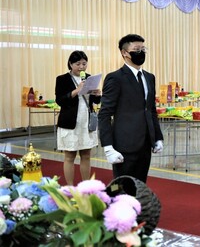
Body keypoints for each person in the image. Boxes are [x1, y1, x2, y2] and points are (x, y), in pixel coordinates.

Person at [98, 34, 164, 183]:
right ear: (124, 53)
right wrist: (108, 147)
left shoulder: (149, 77)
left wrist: (158, 137)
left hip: (146, 144)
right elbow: (105, 114)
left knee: (140, 187)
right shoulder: (115, 78)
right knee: (123, 188)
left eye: (143, 49)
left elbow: (151, 109)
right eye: (136, 49)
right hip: (124, 144)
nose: (140, 52)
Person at [55, 51, 101, 185]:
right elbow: (60, 100)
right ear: (70, 64)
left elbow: (95, 102)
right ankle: (70, 187)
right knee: (70, 156)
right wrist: (76, 90)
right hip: (70, 122)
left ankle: (85, 186)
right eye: (78, 64)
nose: (81, 67)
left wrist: (97, 95)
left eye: (84, 63)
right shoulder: (62, 79)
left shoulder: (89, 78)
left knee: (86, 156)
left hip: (86, 122)